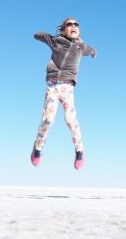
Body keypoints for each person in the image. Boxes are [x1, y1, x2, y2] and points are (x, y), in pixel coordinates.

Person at [31, 17, 97, 170]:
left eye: (76, 24)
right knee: (48, 120)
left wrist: (94, 52)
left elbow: (91, 50)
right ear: (63, 30)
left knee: (70, 120)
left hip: (67, 87)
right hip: (53, 86)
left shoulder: (81, 47)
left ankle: (79, 150)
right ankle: (37, 148)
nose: (73, 26)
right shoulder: (56, 41)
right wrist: (39, 35)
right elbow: (39, 35)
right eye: (69, 24)